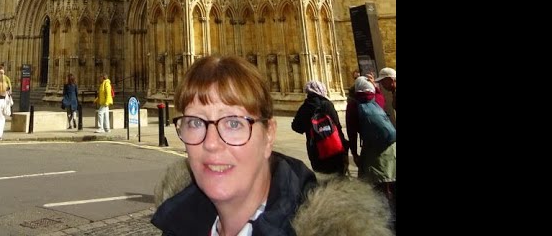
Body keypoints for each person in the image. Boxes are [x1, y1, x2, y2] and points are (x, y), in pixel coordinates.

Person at [151, 56, 392, 236]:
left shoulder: (334, 228)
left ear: (269, 135)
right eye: (194, 122)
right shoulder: (178, 222)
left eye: (234, 123)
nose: (212, 143)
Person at [350, 77, 396, 228]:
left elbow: (352, 133)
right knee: (390, 181)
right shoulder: (377, 100)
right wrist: (375, 86)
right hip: (389, 149)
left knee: (376, 186)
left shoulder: (353, 105)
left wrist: (354, 153)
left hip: (371, 151)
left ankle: (383, 219)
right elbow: (380, 95)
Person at [290, 80, 351, 176]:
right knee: (339, 177)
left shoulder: (305, 107)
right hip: (334, 147)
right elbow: (337, 125)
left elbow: (296, 127)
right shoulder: (327, 104)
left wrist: (309, 127)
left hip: (315, 149)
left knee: (322, 177)